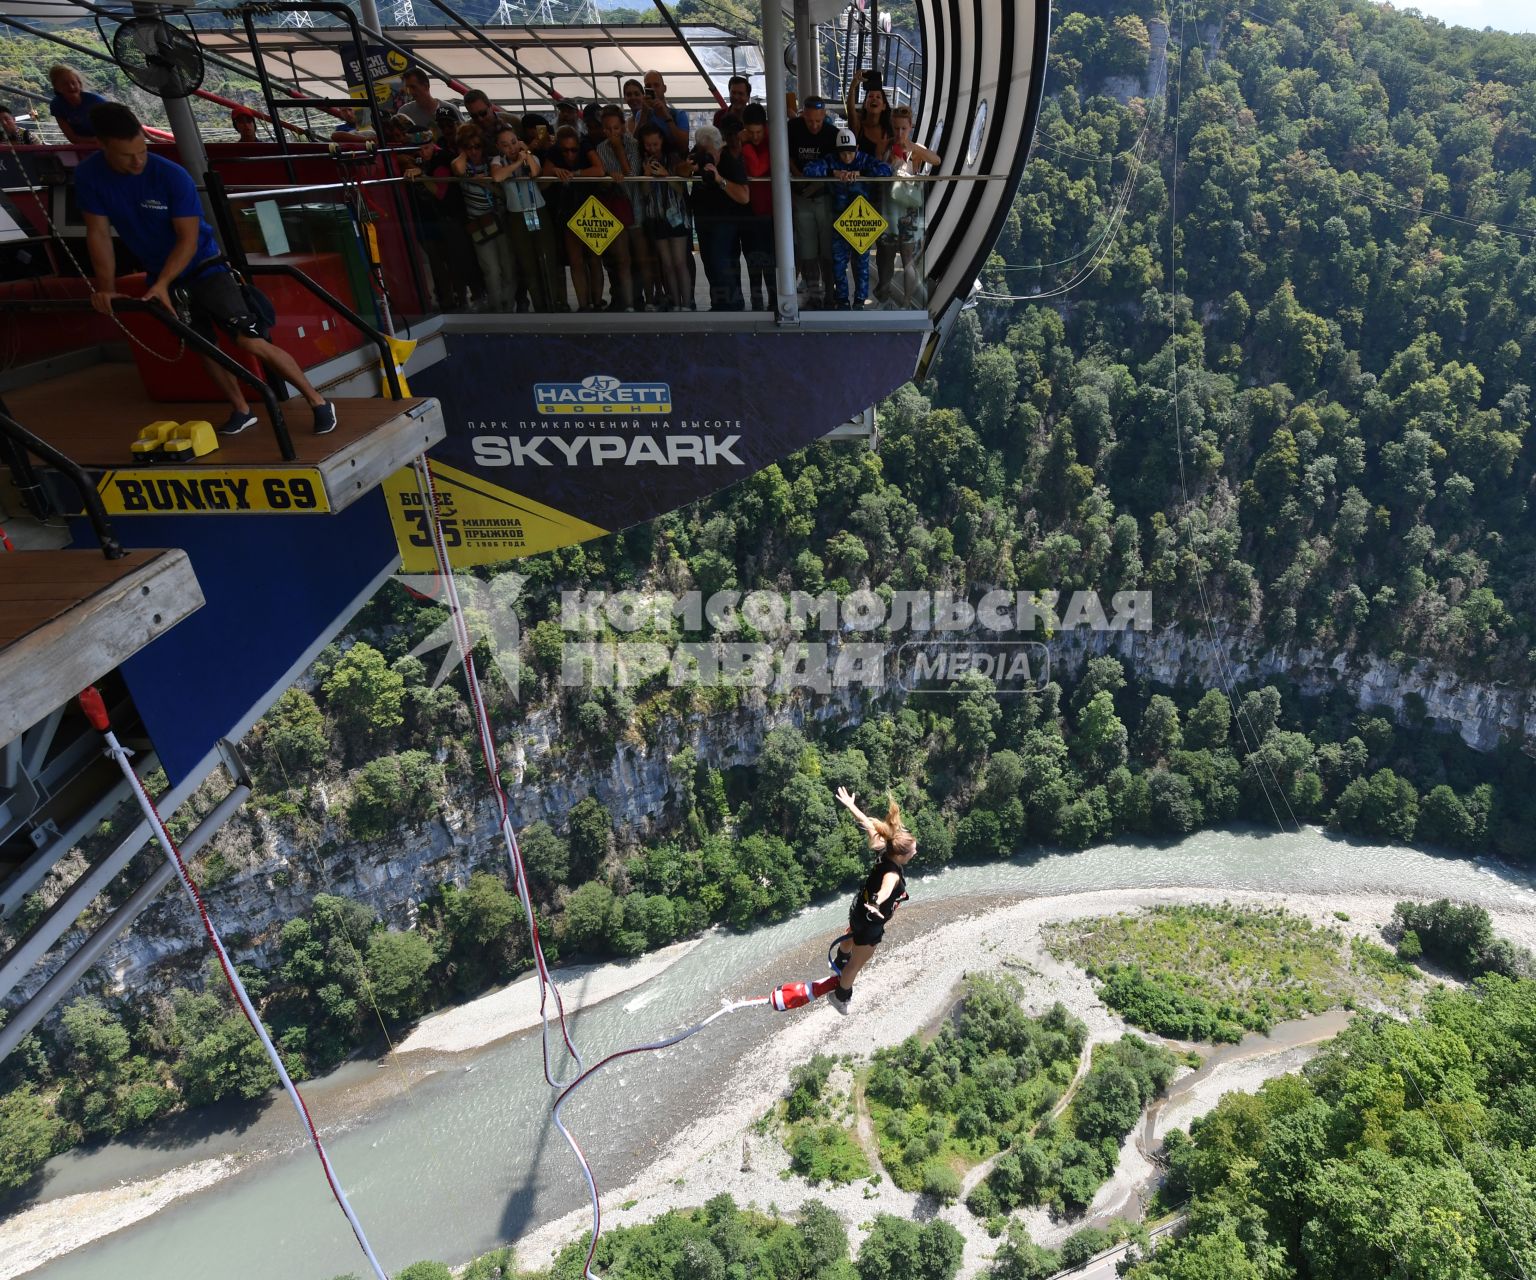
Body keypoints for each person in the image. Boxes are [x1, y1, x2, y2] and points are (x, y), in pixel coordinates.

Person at [77, 103, 335, 436]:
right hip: (160, 275)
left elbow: (188, 238)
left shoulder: (170, 175)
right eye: (127, 156)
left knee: (248, 339)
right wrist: (107, 288)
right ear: (102, 145)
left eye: (142, 150)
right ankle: (241, 409)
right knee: (201, 345)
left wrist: (163, 283)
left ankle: (316, 400)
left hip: (204, 265)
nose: (138, 160)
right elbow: (97, 233)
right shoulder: (89, 176)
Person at [827, 787, 915, 1015]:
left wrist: (850, 805)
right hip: (870, 921)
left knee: (851, 933)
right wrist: (876, 903)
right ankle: (840, 997)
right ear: (901, 855)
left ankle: (840, 958)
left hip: (858, 910)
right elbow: (886, 889)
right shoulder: (893, 874)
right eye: (912, 852)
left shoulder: (882, 848)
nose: (914, 853)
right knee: (857, 964)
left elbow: (868, 823)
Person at [804, 127, 891, 308]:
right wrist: (833, 173)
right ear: (837, 152)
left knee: (861, 263)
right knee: (838, 263)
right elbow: (809, 170)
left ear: (857, 148)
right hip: (839, 222)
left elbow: (886, 170)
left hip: (862, 222)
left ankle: (860, 300)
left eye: (850, 153)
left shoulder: (863, 159)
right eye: (842, 154)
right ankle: (842, 300)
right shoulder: (832, 160)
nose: (847, 158)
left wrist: (861, 174)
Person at [491, 124, 560, 312]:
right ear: (498, 147)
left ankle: (553, 303)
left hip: (538, 210)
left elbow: (535, 171)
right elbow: (497, 177)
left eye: (514, 142)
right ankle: (539, 306)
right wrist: (514, 163)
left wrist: (526, 152)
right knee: (527, 262)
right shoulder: (498, 161)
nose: (511, 148)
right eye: (505, 145)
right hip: (517, 216)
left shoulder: (530, 157)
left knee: (546, 257)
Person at [403, 128, 471, 311]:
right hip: (426, 219)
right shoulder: (413, 162)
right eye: (418, 149)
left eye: (426, 148)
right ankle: (446, 299)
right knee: (436, 262)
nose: (422, 152)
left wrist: (422, 176)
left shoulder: (442, 159)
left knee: (454, 260)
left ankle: (461, 298)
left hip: (448, 218)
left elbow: (440, 192)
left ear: (433, 145)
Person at [881, 104, 941, 307]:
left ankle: (906, 300)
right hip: (889, 209)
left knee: (907, 257)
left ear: (910, 127)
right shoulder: (885, 147)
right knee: (886, 254)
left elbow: (936, 160)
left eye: (903, 128)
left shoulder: (915, 150)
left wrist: (914, 148)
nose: (899, 133)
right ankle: (885, 292)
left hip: (908, 211)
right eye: (896, 128)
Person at [451, 121, 515, 312]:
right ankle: (497, 308)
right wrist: (464, 152)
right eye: (468, 147)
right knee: (491, 270)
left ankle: (508, 304)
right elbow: (458, 168)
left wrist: (485, 184)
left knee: (508, 267)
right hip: (478, 224)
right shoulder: (464, 166)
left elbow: (503, 192)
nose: (474, 151)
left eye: (477, 146)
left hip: (499, 218)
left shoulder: (493, 163)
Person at [584, 104, 641, 311]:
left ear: (623, 126)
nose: (612, 133)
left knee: (641, 258)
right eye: (607, 129)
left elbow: (632, 174)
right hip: (616, 207)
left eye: (616, 128)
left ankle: (645, 300)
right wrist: (609, 178)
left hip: (637, 208)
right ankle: (628, 303)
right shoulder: (600, 148)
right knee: (622, 259)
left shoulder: (633, 144)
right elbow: (603, 178)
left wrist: (619, 150)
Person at [686, 123, 749, 310]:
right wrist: (688, 166)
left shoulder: (730, 160)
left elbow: (744, 196)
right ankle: (719, 304)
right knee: (710, 263)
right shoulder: (697, 156)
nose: (706, 156)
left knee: (722, 264)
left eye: (709, 152)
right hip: (703, 218)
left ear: (718, 147)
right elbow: (679, 171)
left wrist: (719, 180)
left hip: (725, 221)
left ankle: (731, 306)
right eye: (701, 150)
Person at [542, 124, 604, 310]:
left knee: (594, 259)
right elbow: (543, 183)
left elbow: (600, 170)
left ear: (578, 145)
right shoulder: (553, 153)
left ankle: (597, 301)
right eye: (565, 150)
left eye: (573, 150)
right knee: (576, 261)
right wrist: (554, 171)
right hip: (568, 209)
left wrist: (575, 174)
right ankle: (584, 305)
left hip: (591, 206)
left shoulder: (585, 146)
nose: (569, 154)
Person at [634, 122, 692, 311]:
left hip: (676, 216)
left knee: (679, 262)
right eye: (648, 145)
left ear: (662, 143)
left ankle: (687, 303)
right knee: (667, 264)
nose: (652, 149)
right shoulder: (645, 162)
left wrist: (666, 175)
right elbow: (644, 192)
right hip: (656, 216)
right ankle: (676, 303)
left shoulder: (673, 159)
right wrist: (647, 175)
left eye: (655, 145)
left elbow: (681, 190)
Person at [786, 95, 836, 308]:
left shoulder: (832, 134)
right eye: (810, 121)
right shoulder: (792, 128)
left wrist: (812, 185)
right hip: (801, 196)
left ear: (824, 116)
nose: (814, 125)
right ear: (802, 115)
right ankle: (814, 294)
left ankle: (830, 294)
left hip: (823, 196)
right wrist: (800, 178)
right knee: (807, 250)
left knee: (827, 249)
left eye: (818, 121)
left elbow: (835, 166)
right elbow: (785, 157)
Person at [739, 103, 774, 311]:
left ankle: (773, 301)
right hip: (749, 211)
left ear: (765, 128)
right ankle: (756, 301)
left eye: (758, 132)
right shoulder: (747, 141)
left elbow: (758, 169)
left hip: (770, 212)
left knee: (770, 261)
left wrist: (746, 146)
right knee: (752, 259)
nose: (755, 137)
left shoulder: (772, 141)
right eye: (750, 133)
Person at [48, 65, 107, 145]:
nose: (71, 87)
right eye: (65, 84)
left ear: (79, 84)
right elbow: (72, 137)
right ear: (56, 87)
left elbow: (112, 131)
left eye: (73, 83)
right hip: (84, 145)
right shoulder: (57, 105)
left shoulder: (97, 102)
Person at [397, 67, 460, 140]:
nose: (410, 92)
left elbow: (464, 136)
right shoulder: (405, 113)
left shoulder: (450, 110)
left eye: (413, 87)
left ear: (426, 86)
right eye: (408, 88)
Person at [640, 70, 690, 155]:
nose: (653, 89)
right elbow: (636, 143)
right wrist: (643, 113)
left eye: (656, 85)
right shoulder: (642, 114)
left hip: (673, 166)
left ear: (664, 88)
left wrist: (667, 116)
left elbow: (684, 146)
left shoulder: (679, 115)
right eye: (648, 86)